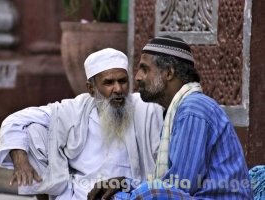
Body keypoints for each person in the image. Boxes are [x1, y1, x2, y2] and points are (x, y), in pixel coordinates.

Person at [88, 36, 253, 199]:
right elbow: (171, 185)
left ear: (168, 73)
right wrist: (125, 184)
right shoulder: (177, 110)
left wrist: (132, 190)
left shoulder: (194, 108)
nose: (137, 77)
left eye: (144, 69)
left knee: (146, 194)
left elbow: (180, 185)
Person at [0, 48, 164, 200]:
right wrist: (20, 160)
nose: (118, 89)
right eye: (109, 83)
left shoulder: (145, 108)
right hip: (80, 194)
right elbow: (15, 121)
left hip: (127, 192)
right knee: (34, 130)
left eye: (122, 81)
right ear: (91, 88)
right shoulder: (74, 109)